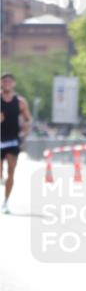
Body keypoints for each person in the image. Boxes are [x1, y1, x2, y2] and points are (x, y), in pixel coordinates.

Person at [1, 73, 32, 214]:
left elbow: (27, 119)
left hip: (13, 140)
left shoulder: (20, 102)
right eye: (4, 81)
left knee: (11, 171)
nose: (6, 83)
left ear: (13, 84)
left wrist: (25, 130)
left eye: (9, 81)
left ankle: (6, 202)